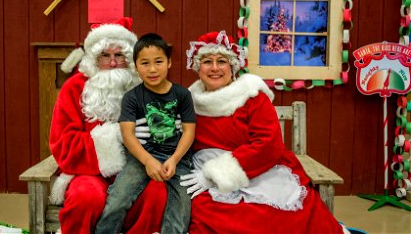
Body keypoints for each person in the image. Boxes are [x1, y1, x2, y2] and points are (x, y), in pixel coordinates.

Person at [179, 30, 348, 234]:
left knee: (277, 215)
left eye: (222, 61)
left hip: (259, 168)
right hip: (203, 175)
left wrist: (217, 174)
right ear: (198, 67)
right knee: (207, 212)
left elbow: (268, 145)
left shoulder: (252, 96)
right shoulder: (188, 100)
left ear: (232, 66)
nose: (215, 68)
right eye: (207, 61)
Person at [48, 18, 167, 234]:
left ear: (129, 58)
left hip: (139, 168)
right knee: (86, 197)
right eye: (105, 56)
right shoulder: (74, 88)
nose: (112, 63)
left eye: (119, 55)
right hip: (87, 172)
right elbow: (63, 144)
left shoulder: (144, 86)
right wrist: (115, 136)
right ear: (94, 59)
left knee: (156, 194)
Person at [95, 33, 196, 234]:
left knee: (182, 206)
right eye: (144, 63)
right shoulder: (132, 98)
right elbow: (128, 135)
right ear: (135, 66)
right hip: (141, 157)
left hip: (178, 160)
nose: (152, 69)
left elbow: (188, 131)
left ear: (169, 62)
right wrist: (148, 161)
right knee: (118, 197)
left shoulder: (183, 95)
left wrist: (175, 159)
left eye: (158, 61)